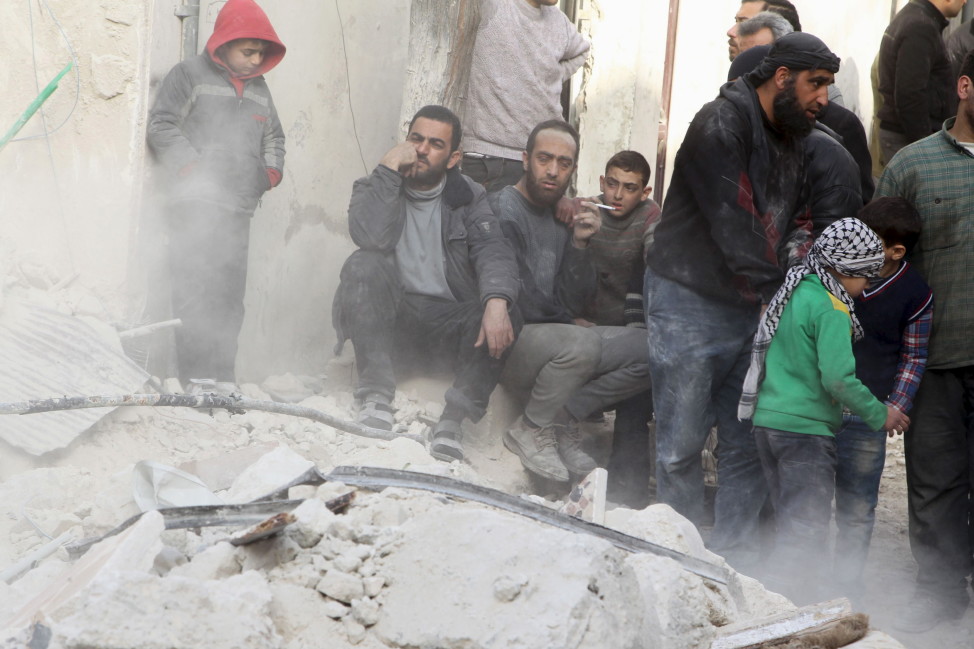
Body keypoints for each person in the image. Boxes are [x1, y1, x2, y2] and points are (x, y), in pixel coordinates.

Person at [644, 32, 840, 574]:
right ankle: (678, 562)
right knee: (680, 444)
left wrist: (789, 281)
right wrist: (783, 300)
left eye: (827, 85)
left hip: (751, 303)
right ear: (782, 78)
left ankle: (732, 565)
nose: (823, 97)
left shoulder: (797, 137)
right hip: (689, 301)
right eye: (815, 84)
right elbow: (738, 227)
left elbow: (800, 224)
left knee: (743, 445)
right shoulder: (719, 125)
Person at [332, 105, 521, 463]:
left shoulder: (469, 197)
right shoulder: (376, 186)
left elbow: (493, 250)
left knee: (507, 303)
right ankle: (374, 394)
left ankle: (452, 422)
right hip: (393, 324)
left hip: (444, 331)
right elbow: (371, 237)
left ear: (453, 158)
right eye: (415, 139)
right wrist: (388, 169)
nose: (421, 149)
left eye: (435, 144)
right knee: (363, 265)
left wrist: (497, 300)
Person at [738, 218, 910, 603]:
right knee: (806, 531)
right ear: (845, 270)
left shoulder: (796, 291)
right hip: (805, 433)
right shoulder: (832, 308)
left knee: (789, 522)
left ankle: (772, 598)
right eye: (864, 278)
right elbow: (837, 379)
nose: (865, 289)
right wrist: (879, 413)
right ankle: (788, 610)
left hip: (768, 424)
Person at [874, 50, 974, 633]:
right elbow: (879, 266)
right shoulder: (912, 167)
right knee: (935, 485)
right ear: (964, 86)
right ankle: (939, 599)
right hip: (933, 361)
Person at [147, 0, 286, 391]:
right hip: (194, 207)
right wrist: (196, 171)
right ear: (223, 44)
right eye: (248, 50)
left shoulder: (260, 89)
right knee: (194, 292)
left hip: (237, 210)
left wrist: (270, 174)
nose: (255, 58)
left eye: (261, 51)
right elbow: (162, 126)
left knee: (229, 299)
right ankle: (196, 380)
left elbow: (274, 137)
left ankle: (223, 379)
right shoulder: (188, 75)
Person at [490, 120, 603, 483]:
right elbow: (519, 293)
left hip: (556, 340)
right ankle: (533, 427)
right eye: (544, 159)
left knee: (647, 350)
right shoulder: (503, 208)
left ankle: (563, 419)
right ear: (525, 159)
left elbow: (578, 300)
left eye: (564, 163)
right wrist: (569, 324)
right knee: (583, 341)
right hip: (513, 340)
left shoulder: (561, 214)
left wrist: (581, 243)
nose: (553, 171)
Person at [833, 198, 933, 599]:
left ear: (896, 251)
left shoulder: (915, 292)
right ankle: (792, 582)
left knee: (857, 510)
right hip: (813, 410)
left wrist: (895, 407)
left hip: (865, 416)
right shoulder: (831, 273)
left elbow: (914, 355)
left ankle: (844, 590)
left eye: (870, 242)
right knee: (802, 502)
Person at [579, 151, 661, 508]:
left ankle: (628, 498)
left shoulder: (650, 215)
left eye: (629, 188)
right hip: (587, 324)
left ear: (644, 192)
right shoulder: (586, 210)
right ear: (601, 183)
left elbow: (654, 261)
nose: (617, 194)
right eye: (612, 184)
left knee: (633, 413)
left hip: (632, 326)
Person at [462, 0, 590, 193]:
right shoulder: (495, 5)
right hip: (489, 156)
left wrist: (551, 77)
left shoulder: (559, 21)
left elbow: (581, 52)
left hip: (541, 161)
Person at [876, 0, 963, 166]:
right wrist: (927, 148)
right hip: (907, 140)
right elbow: (910, 94)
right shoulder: (921, 26)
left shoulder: (917, 19)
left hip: (908, 138)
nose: (965, 2)